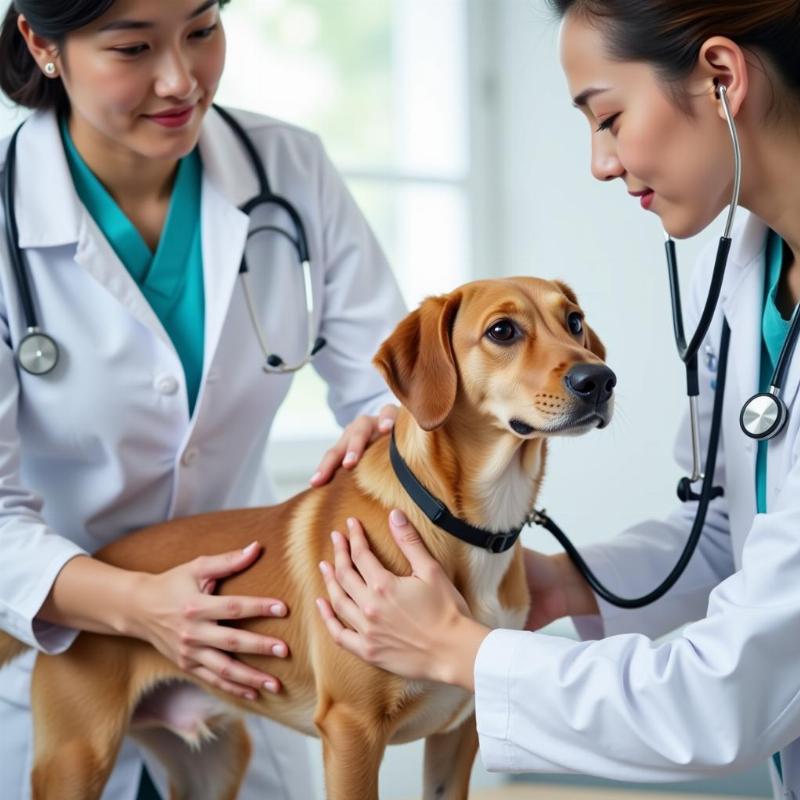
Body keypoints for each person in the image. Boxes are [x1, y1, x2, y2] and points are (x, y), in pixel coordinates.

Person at [315, 2, 800, 798]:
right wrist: (561, 581)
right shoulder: (749, 276)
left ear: (722, 77)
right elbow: (728, 531)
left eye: (607, 117)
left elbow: (726, 697)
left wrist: (462, 652)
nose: (600, 164)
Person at [0, 1, 405, 798]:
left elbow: (389, 384)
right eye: (132, 48)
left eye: (202, 30)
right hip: (61, 650)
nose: (181, 79)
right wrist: (138, 604)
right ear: (43, 46)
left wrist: (394, 438)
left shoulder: (289, 168)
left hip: (257, 649)